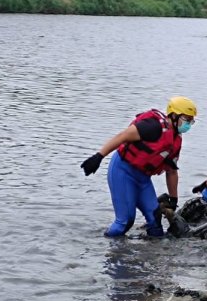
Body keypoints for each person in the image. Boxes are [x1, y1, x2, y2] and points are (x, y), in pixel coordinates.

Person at [80, 96, 197, 238]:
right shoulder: (152, 127)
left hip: (142, 178)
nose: (189, 124)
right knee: (125, 222)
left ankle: (152, 256)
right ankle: (108, 250)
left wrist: (174, 199)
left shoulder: (175, 139)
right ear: (173, 115)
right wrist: (98, 156)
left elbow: (171, 171)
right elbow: (123, 136)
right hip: (122, 171)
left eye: (192, 121)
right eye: (186, 119)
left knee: (155, 221)